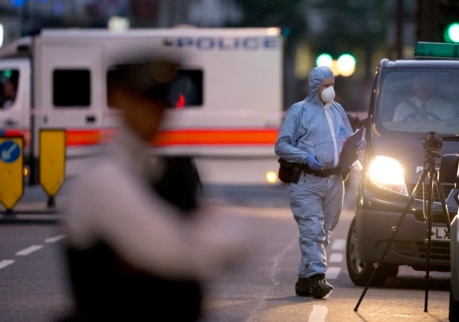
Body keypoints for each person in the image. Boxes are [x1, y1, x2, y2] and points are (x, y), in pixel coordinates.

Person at [61, 55, 248, 321]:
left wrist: (195, 238)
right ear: (118, 99)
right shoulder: (103, 178)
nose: (156, 111)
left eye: (162, 101)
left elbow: (241, 237)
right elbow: (172, 253)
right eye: (145, 99)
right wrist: (199, 239)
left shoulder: (164, 168)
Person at [275, 66, 364, 299]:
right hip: (306, 181)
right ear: (314, 86)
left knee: (324, 232)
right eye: (325, 85)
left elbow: (346, 137)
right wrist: (305, 157)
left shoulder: (337, 110)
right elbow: (282, 146)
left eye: (331, 85)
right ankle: (317, 278)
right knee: (311, 229)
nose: (329, 90)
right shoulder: (299, 111)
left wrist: (358, 147)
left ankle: (304, 280)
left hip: (334, 180)